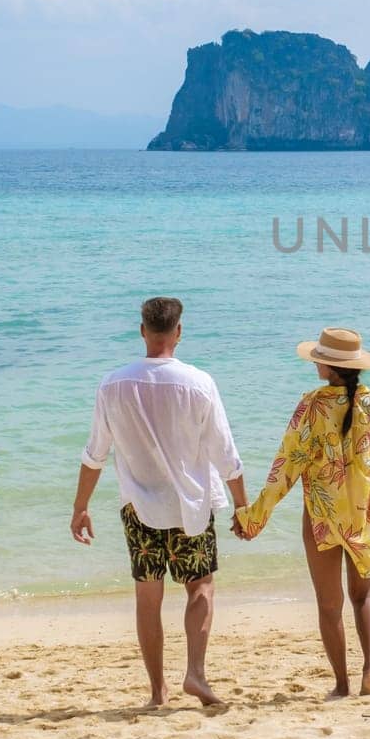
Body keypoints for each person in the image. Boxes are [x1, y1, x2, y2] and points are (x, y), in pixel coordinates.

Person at [71, 296, 248, 708]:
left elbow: (95, 453)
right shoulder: (199, 383)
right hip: (191, 507)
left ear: (142, 330)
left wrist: (81, 506)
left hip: (139, 508)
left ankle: (157, 692)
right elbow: (226, 454)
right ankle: (195, 675)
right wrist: (242, 506)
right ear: (179, 332)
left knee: (148, 597)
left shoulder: (113, 383)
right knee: (200, 587)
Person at [233, 326, 370, 699]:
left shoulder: (312, 406)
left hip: (323, 517)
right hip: (365, 515)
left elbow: (287, 466)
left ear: (327, 366)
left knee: (329, 605)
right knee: (364, 597)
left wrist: (254, 515)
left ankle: (341, 685)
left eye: (319, 360)